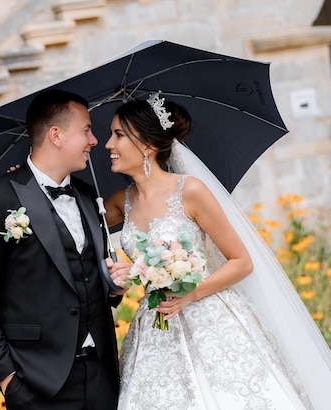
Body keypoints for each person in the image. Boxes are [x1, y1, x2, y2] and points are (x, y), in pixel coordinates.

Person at [103, 93, 331, 409]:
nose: (107, 145)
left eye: (118, 135)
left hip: (209, 319)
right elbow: (72, 219)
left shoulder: (190, 191)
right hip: (154, 330)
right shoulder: (120, 201)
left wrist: (191, 292)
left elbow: (241, 261)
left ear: (148, 145)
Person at [0, 89, 131, 410]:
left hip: (102, 377)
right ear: (56, 135)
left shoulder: (86, 195)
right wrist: (8, 379)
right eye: (86, 130)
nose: (94, 140)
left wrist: (115, 286)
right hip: (36, 384)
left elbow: (92, 283)